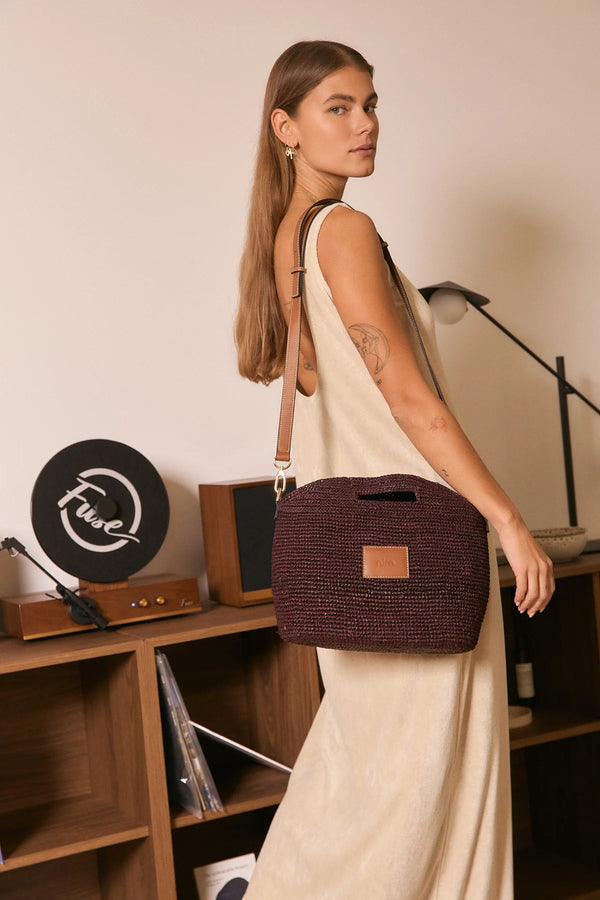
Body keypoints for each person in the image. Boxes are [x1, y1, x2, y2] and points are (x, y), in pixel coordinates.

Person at [235, 40, 554, 899]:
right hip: (419, 549)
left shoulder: (285, 238)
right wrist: (509, 521)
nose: (365, 124)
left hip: (357, 556)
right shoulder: (342, 230)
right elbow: (410, 400)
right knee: (422, 789)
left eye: (371, 105)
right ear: (285, 127)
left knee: (370, 782)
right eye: (338, 107)